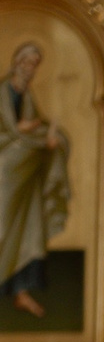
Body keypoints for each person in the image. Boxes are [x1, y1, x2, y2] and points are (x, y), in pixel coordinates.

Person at [0, 42, 72, 317]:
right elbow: (12, 131)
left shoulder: (26, 94)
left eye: (35, 65)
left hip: (25, 174)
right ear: (17, 63)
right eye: (28, 63)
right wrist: (24, 131)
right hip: (5, 174)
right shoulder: (3, 91)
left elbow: (33, 126)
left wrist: (48, 138)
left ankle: (20, 293)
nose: (30, 69)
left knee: (26, 228)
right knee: (3, 228)